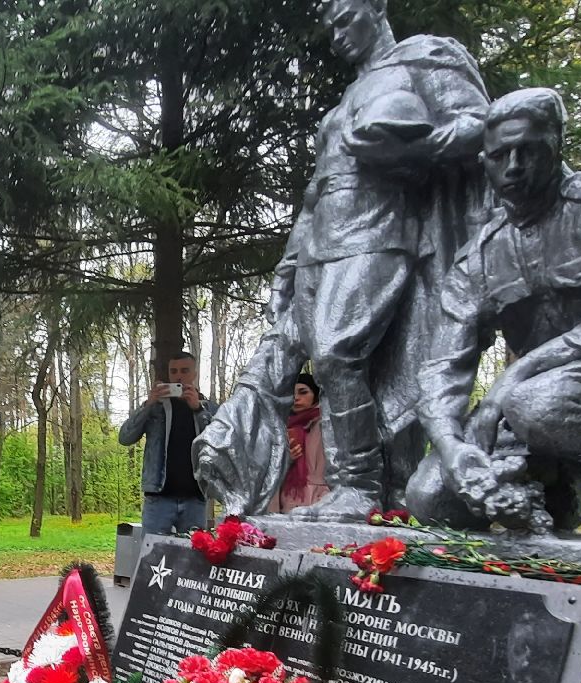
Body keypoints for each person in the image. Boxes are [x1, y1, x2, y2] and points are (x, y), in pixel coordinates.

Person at [194, 0, 488, 518]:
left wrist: (406, 147)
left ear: (376, 7)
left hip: (382, 229)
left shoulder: (423, 58)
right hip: (322, 238)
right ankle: (392, 494)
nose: (336, 35)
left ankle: (358, 485)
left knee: (335, 353)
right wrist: (288, 267)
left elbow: (481, 128)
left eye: (344, 18)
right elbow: (312, 196)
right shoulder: (348, 97)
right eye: (328, 28)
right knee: (343, 365)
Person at [407, 87, 581, 538]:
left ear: (557, 146)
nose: (514, 167)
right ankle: (557, 487)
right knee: (432, 498)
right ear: (485, 163)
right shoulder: (478, 255)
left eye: (529, 151)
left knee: (537, 401)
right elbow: (444, 364)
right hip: (525, 407)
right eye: (500, 156)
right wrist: (452, 445)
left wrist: (518, 375)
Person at [117, 351, 216, 535]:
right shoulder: (156, 408)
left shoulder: (208, 408)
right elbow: (125, 437)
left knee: (193, 560)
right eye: (174, 371)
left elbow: (219, 443)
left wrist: (198, 410)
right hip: (158, 499)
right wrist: (148, 404)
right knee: (152, 559)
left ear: (194, 374)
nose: (179, 375)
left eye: (185, 370)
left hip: (195, 499)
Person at [275, 371, 331, 511]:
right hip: (290, 497)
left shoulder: (326, 423)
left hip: (321, 499)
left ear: (315, 395)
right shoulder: (283, 427)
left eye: (303, 392)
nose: (297, 398)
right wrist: (287, 459)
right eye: (293, 394)